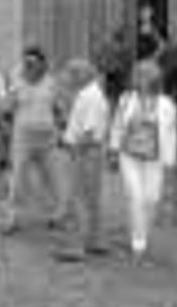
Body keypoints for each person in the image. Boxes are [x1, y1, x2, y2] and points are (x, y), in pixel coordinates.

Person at [108, 61, 177, 263]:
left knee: (152, 199)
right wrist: (113, 149)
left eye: (146, 76)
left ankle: (142, 235)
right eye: (138, 75)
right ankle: (138, 244)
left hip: (154, 159)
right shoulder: (126, 99)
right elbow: (118, 124)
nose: (141, 79)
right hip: (129, 156)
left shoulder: (166, 104)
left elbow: (171, 134)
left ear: (155, 79)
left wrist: (170, 162)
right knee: (136, 197)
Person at [3, 46, 68, 233]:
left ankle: (58, 215)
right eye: (26, 63)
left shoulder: (51, 83)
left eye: (33, 63)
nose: (29, 67)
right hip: (23, 138)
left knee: (53, 178)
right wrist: (2, 123)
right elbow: (8, 106)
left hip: (47, 139)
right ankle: (12, 218)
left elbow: (58, 108)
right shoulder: (17, 82)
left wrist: (65, 128)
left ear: (42, 64)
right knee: (17, 179)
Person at [53, 59, 111, 262]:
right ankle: (95, 241)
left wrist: (72, 147)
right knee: (91, 198)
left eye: (70, 75)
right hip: (89, 151)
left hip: (85, 152)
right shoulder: (89, 95)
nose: (68, 80)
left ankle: (76, 247)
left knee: (78, 199)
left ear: (81, 75)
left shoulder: (90, 97)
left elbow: (89, 132)